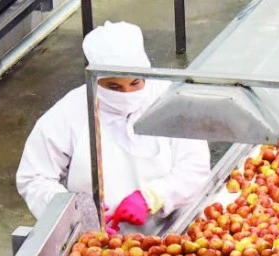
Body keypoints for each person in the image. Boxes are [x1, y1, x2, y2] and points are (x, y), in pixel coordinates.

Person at [16, 20, 211, 234]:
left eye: (135, 83)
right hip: (94, 237)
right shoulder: (70, 113)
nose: (127, 94)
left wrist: (153, 197)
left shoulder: (169, 100)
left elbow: (195, 167)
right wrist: (78, 215)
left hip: (171, 230)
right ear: (95, 80)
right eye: (114, 87)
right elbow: (34, 178)